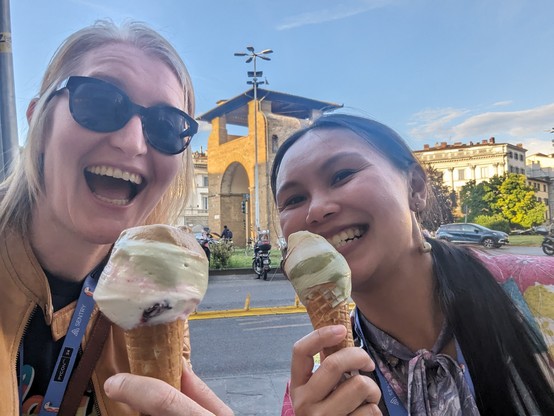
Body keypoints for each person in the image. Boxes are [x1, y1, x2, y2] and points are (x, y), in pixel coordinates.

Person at [0, 20, 231, 416]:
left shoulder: (159, 301)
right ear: (39, 120)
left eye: (166, 126)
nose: (132, 141)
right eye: (99, 103)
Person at [270, 113, 554, 415]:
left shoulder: (541, 292)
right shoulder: (316, 393)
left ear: (415, 188)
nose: (316, 210)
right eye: (294, 199)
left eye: (342, 176)